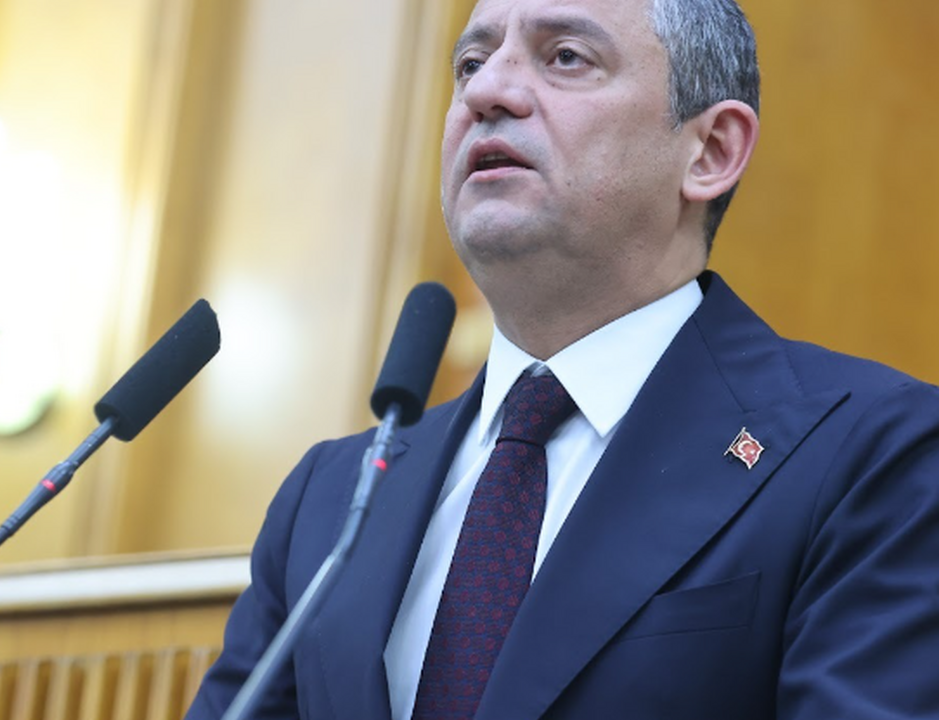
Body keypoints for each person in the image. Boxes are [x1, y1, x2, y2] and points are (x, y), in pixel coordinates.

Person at [186, 0, 939, 717]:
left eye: (566, 57)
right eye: (471, 63)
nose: (488, 91)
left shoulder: (874, 456)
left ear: (710, 151)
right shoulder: (333, 498)